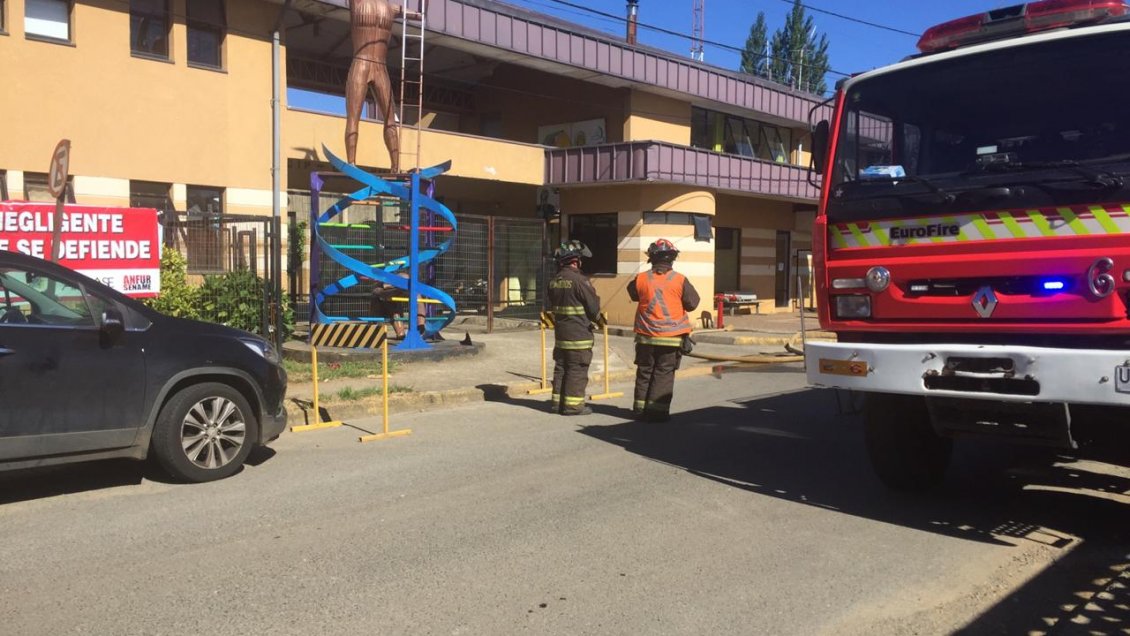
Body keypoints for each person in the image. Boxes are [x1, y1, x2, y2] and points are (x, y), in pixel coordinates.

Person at [628, 239, 700, 422]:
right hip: (671, 338)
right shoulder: (680, 279)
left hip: (645, 337)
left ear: (651, 258)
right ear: (672, 259)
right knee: (663, 373)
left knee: (644, 372)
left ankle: (639, 410)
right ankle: (657, 413)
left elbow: (633, 294)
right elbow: (692, 304)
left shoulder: (641, 278)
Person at [345, 0, 416, 171]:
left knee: (390, 119)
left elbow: (419, 16)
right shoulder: (358, 2)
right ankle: (351, 162)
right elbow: (420, 16)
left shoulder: (391, 8)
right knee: (354, 117)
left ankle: (395, 166)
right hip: (361, 63)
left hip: (380, 67)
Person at [546, 240, 601, 416]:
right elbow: (593, 309)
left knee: (561, 368)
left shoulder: (554, 281)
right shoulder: (579, 281)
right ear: (576, 261)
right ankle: (573, 406)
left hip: (561, 335)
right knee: (576, 370)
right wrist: (598, 319)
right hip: (579, 335)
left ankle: (557, 404)